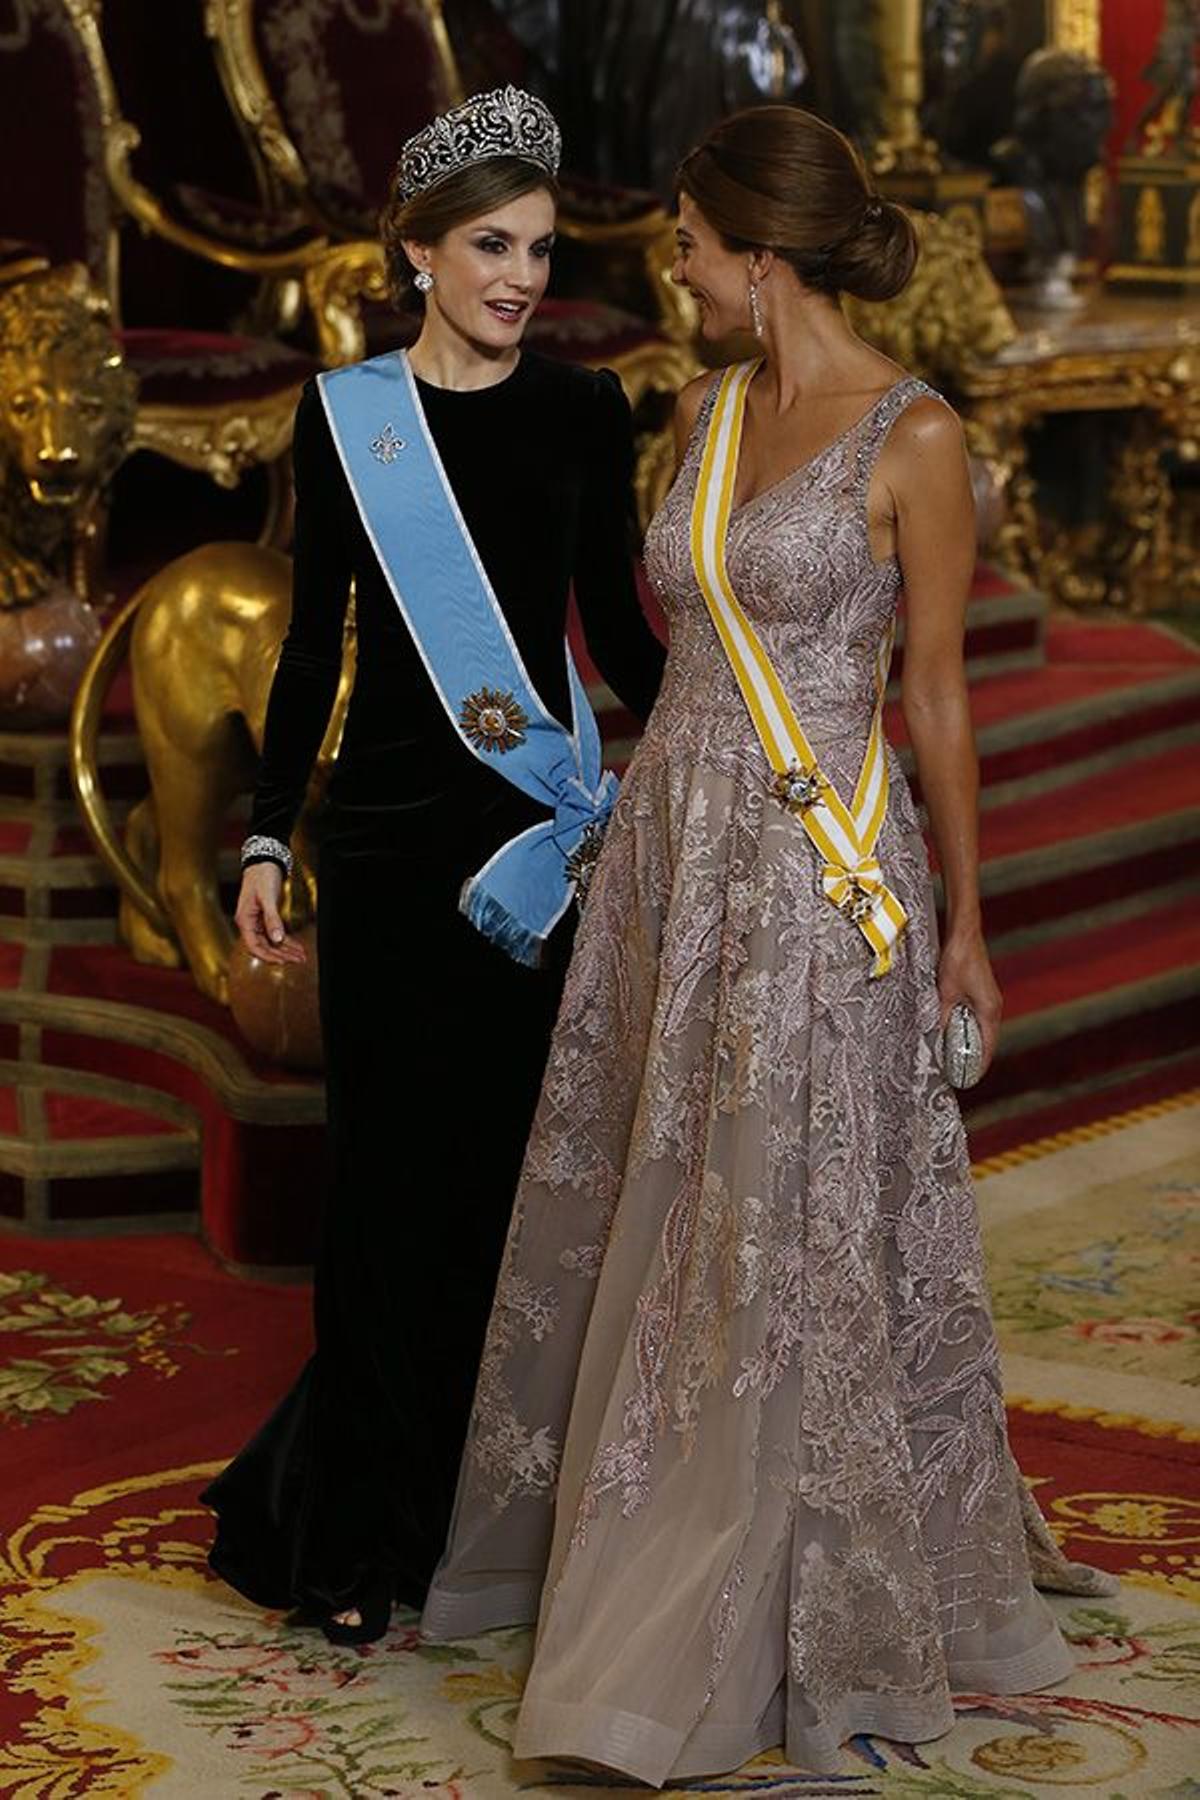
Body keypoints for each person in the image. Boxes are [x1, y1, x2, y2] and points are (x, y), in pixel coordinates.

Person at [421, 105, 1114, 1780]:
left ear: (762, 253)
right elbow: (674, 632)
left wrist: (967, 920)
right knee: (670, 1204)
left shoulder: (919, 437)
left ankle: (752, 1596)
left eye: (686, 241)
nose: (668, 264)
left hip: (821, 871)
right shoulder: (708, 408)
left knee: (780, 1218)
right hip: (678, 858)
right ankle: (652, 1534)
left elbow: (935, 694)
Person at [202, 85, 665, 1647]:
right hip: (395, 856)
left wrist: (729, 777)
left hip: (536, 850)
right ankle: (349, 1540)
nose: (522, 276)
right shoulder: (347, 420)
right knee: (384, 1201)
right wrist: (271, 827)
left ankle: (475, 1529)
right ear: (416, 250)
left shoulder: (585, 415)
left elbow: (620, 636)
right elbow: (311, 646)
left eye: (538, 247)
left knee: (503, 1196)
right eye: (489, 244)